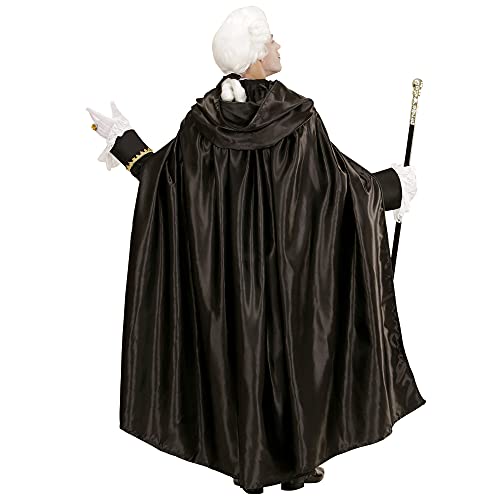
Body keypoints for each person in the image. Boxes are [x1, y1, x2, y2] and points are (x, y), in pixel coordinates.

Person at [87, 5, 425, 495]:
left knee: (237, 358)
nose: (279, 46)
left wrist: (125, 143)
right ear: (254, 55)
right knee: (296, 357)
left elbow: (163, 178)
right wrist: (391, 187)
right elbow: (337, 191)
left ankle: (250, 463)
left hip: (227, 283)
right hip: (290, 280)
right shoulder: (298, 119)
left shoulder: (203, 123)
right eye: (271, 41)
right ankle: (295, 461)